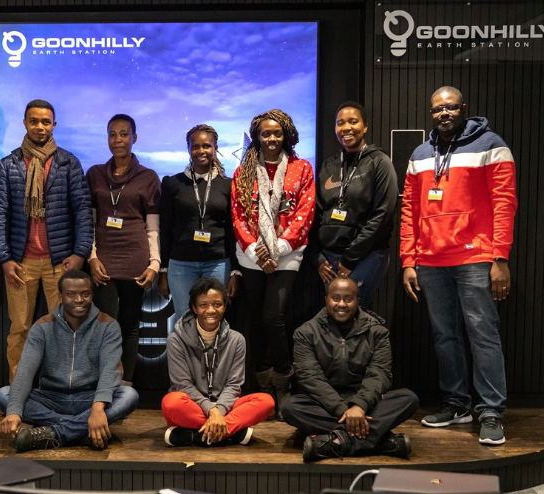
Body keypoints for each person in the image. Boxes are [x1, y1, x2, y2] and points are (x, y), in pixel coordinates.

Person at [401, 86, 517, 445]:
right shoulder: (421, 153)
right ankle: (456, 403)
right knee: (445, 336)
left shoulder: (491, 145)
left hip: (476, 258)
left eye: (450, 107)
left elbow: (504, 203)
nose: (444, 113)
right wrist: (408, 260)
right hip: (431, 261)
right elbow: (409, 209)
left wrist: (500, 258)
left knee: (483, 334)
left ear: (463, 108)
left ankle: (491, 411)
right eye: (437, 109)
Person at [0, 99, 93, 383]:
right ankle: (17, 394)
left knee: (64, 328)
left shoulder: (68, 163)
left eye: (45, 122)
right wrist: (4, 259)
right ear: (24, 123)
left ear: (54, 125)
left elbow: (83, 210)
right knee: (20, 329)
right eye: (34, 121)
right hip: (20, 263)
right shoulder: (9, 165)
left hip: (60, 262)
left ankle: (61, 390)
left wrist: (80, 254)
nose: (39, 127)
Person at [0, 269, 140, 452]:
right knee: (4, 395)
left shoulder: (108, 325)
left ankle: (55, 433)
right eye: (71, 294)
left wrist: (97, 407)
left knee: (128, 395)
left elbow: (109, 370)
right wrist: (15, 411)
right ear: (60, 296)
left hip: (89, 398)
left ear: (92, 295)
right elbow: (25, 370)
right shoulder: (42, 327)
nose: (79, 300)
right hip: (50, 397)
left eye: (85, 294)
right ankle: (81, 430)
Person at [231, 109, 315, 420]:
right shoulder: (244, 172)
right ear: (257, 137)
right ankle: (264, 387)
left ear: (287, 135)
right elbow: (238, 216)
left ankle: (283, 381)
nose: (271, 138)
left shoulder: (301, 168)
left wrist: (277, 250)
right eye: (265, 134)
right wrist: (257, 252)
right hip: (251, 255)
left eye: (276, 133)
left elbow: (304, 214)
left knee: (274, 317)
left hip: (287, 254)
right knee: (254, 320)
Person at [282, 278, 419, 461]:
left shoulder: (377, 332)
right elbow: (310, 378)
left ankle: (337, 442)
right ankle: (377, 442)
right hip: (325, 405)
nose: (341, 304)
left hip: (366, 403)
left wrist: (359, 406)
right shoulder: (306, 332)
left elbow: (380, 374)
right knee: (290, 407)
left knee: (408, 399)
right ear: (326, 299)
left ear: (357, 301)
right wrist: (343, 411)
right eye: (335, 298)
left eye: (348, 299)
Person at [85, 114, 161, 385]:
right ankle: (104, 382)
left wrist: (154, 264)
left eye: (123, 134)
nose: (117, 140)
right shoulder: (94, 174)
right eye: (112, 134)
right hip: (103, 261)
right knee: (104, 324)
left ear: (134, 138)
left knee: (129, 326)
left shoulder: (148, 177)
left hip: (135, 261)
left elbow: (152, 227)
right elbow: (89, 222)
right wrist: (91, 258)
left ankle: (125, 385)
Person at [162, 278, 274, 446]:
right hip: (193, 405)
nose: (210, 310)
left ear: (225, 306)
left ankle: (195, 436)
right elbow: (183, 385)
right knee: (171, 402)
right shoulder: (176, 340)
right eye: (203, 305)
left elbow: (234, 385)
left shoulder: (237, 340)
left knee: (266, 402)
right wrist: (211, 410)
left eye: (217, 304)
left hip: (226, 406)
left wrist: (218, 411)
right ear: (194, 308)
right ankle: (230, 433)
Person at [310, 102, 398, 309]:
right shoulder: (329, 165)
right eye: (340, 123)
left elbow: (383, 215)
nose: (346, 128)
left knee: (354, 313)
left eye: (353, 122)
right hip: (329, 258)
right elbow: (316, 212)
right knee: (335, 315)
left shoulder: (379, 162)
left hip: (366, 256)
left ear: (365, 126)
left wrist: (350, 259)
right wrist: (317, 257)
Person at [158, 124, 240, 325]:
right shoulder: (172, 184)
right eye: (195, 146)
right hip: (181, 265)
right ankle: (187, 358)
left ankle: (213, 358)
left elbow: (232, 230)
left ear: (215, 148)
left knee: (214, 321)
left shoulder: (228, 184)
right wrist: (163, 270)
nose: (201, 151)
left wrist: (235, 271)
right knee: (185, 321)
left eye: (206, 146)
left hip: (218, 263)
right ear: (188, 149)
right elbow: (166, 228)